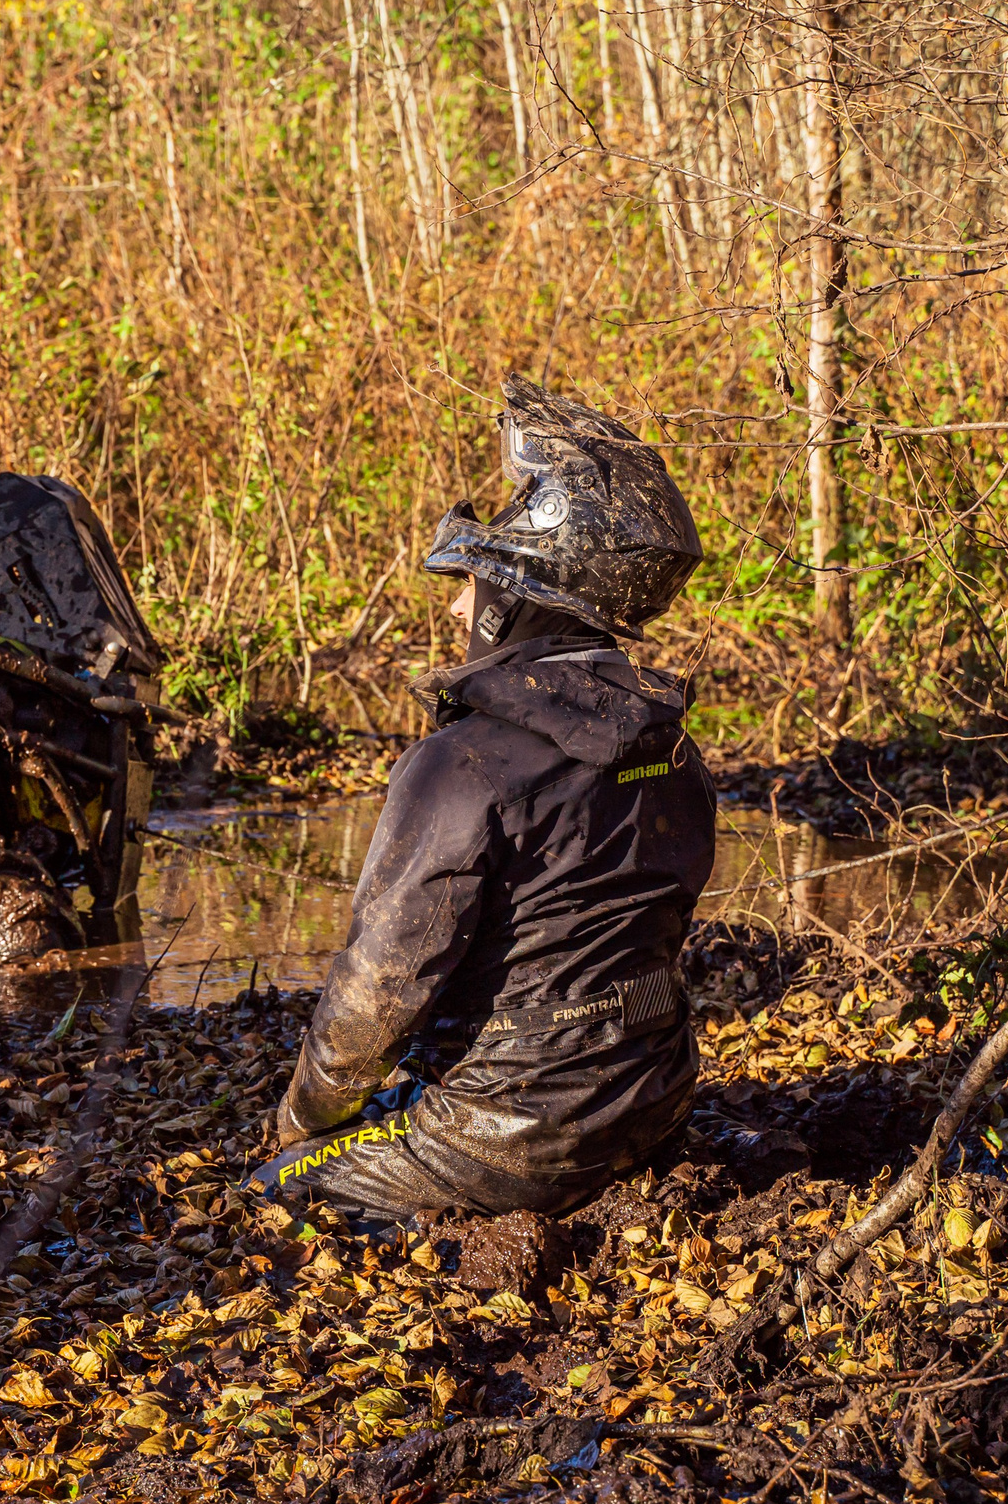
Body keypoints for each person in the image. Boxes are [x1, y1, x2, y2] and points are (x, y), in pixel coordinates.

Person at [251, 376, 715, 1222]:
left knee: (270, 1192)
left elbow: (376, 991)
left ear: (517, 597)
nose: (460, 602)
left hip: (517, 1137)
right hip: (658, 1099)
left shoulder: (455, 765)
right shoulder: (675, 747)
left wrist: (301, 1119)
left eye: (471, 582)